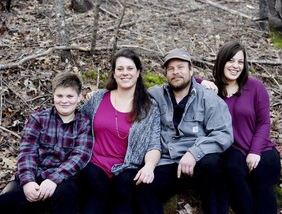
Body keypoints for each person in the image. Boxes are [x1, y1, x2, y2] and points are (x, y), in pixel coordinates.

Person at [136, 48, 234, 214]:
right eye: (171, 69)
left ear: (191, 70)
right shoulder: (155, 95)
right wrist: (101, 95)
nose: (176, 72)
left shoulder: (208, 98)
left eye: (180, 67)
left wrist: (194, 152)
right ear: (166, 73)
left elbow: (223, 134)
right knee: (142, 186)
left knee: (214, 166)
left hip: (198, 163)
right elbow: (128, 95)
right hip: (167, 162)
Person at [79, 49, 161, 214]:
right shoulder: (98, 98)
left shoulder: (149, 108)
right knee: (95, 200)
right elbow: (77, 126)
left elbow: (154, 144)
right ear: (114, 74)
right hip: (93, 165)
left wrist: (149, 166)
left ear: (138, 73)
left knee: (123, 197)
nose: (125, 73)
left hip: (126, 169)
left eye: (130, 69)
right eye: (120, 69)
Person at [0, 72, 93, 214]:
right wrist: (28, 181)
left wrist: (54, 179)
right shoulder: (38, 119)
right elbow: (26, 153)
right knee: (8, 199)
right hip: (34, 174)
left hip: (64, 178)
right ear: (53, 96)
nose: (64, 101)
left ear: (79, 97)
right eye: (60, 96)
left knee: (67, 197)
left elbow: (79, 156)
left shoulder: (84, 124)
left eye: (70, 96)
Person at [212, 41, 281, 214]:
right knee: (233, 174)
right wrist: (202, 81)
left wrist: (255, 151)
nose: (235, 66)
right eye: (231, 60)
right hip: (235, 152)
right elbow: (187, 81)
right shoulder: (213, 92)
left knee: (260, 177)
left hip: (263, 150)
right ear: (222, 62)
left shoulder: (255, 86)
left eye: (240, 62)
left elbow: (264, 122)